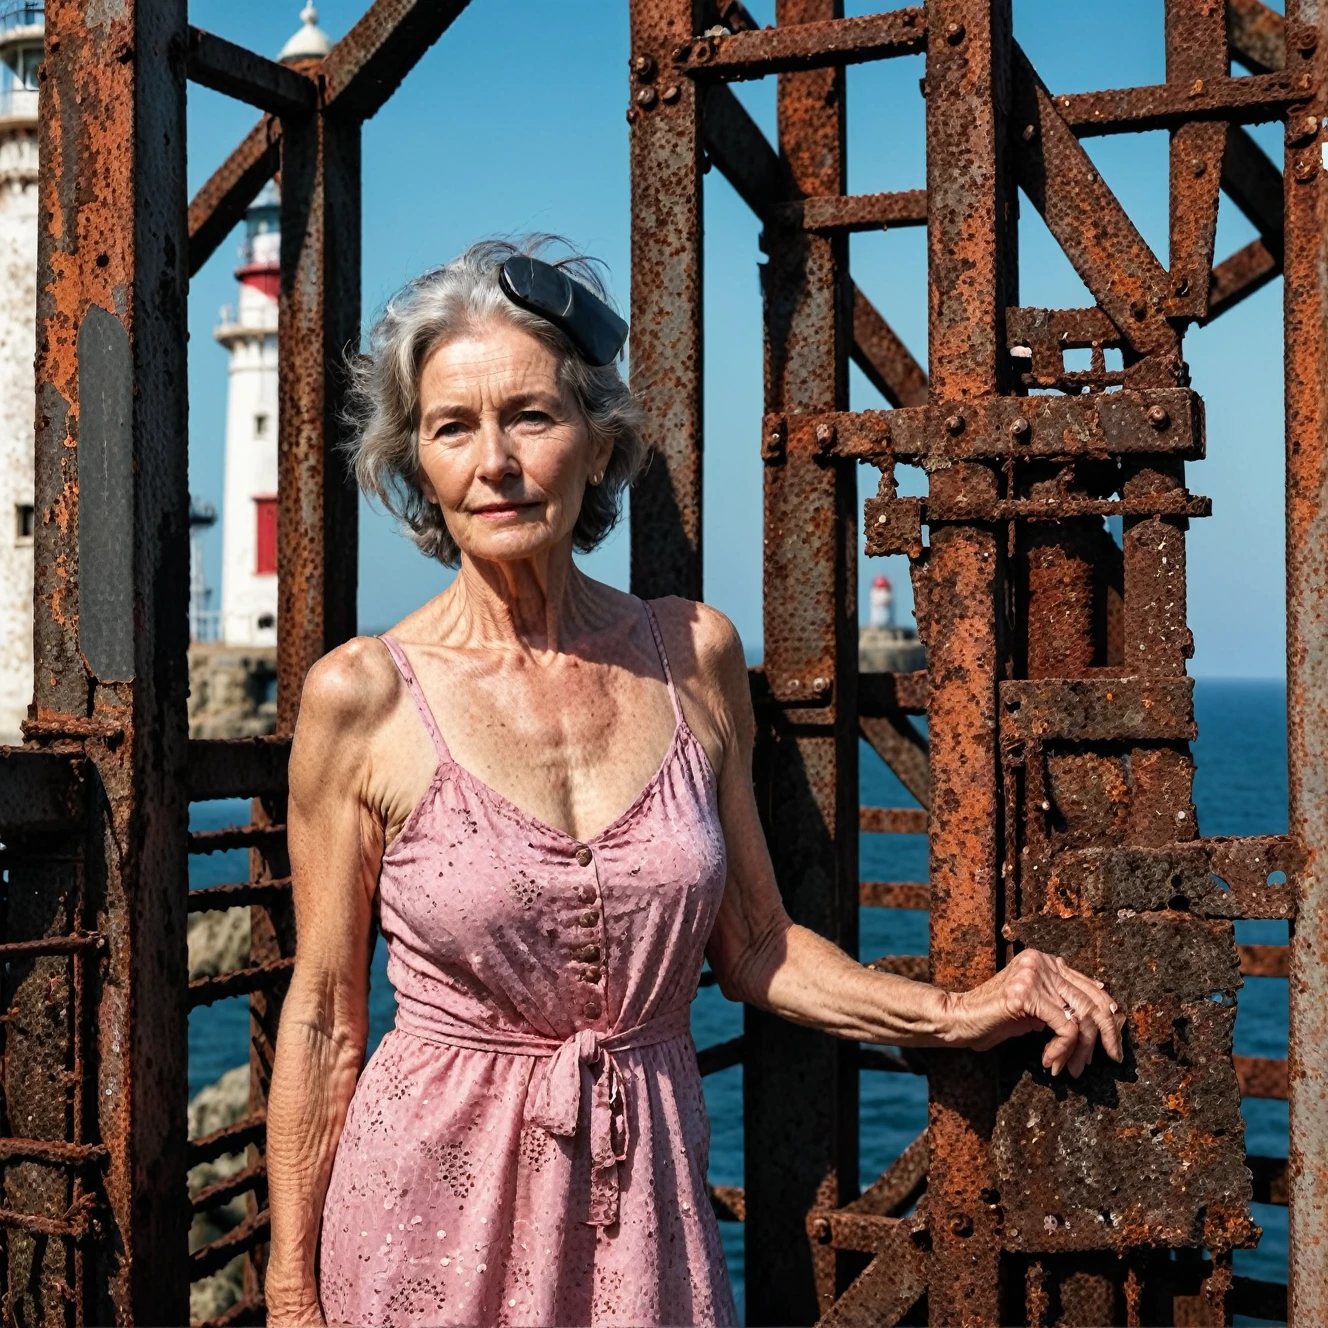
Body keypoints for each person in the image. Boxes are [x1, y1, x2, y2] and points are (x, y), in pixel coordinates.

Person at [263, 238, 1125, 1327]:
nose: (495, 461)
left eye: (530, 414)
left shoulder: (689, 656)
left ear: (595, 439)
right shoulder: (364, 694)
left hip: (642, 1213)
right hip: (429, 1208)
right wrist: (290, 1294)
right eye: (452, 427)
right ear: (418, 463)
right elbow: (327, 1021)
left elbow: (754, 944)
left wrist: (954, 1011)